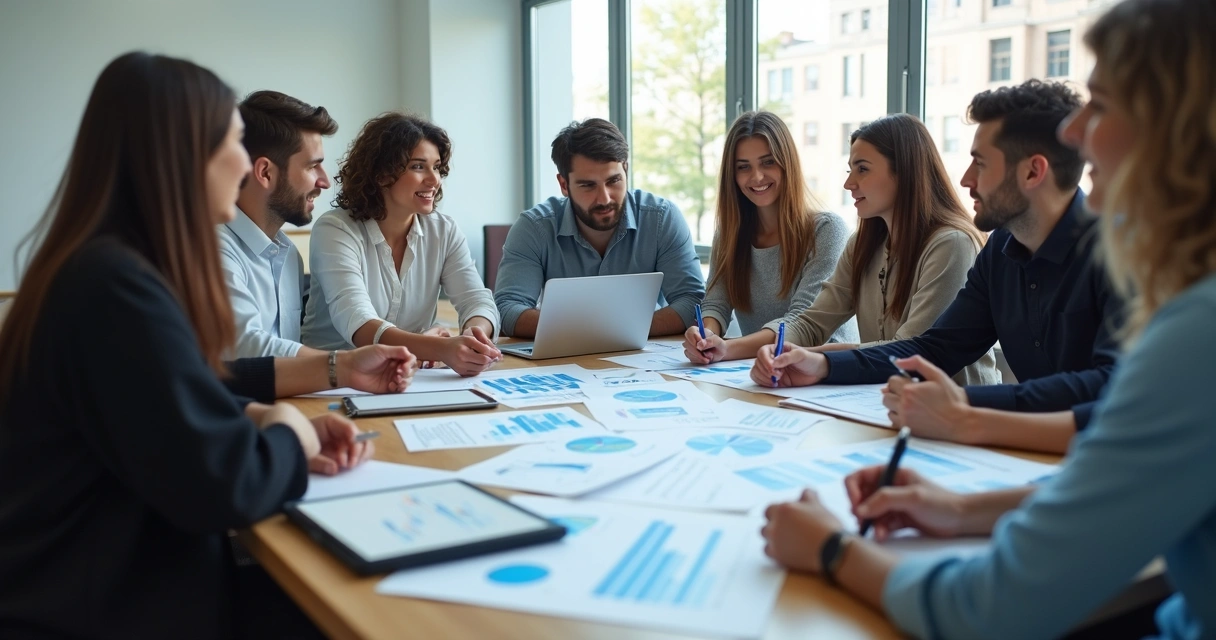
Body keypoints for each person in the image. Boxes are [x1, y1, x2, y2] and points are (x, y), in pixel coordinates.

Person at [762, 1, 1216, 638]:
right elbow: (1117, 443)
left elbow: (991, 609)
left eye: (1104, 105)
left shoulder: (1195, 323)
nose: (1077, 134)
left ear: (1183, 129)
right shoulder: (1006, 251)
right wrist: (959, 507)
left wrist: (834, 549)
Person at [0, 52, 368, 638]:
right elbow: (226, 485)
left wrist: (253, 413)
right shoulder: (114, 288)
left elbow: (166, 394)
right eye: (231, 143)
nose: (244, 164)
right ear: (182, 156)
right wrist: (289, 435)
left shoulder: (102, 267)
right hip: (113, 608)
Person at [753, 80, 1120, 449]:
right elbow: (935, 349)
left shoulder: (1120, 252)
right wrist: (823, 366)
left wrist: (965, 405)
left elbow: (1109, 384)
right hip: (1038, 453)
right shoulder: (1001, 249)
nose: (966, 180)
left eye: (980, 163)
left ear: (1032, 172)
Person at [733, 114, 997, 385]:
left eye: (863, 169)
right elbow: (811, 322)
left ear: (904, 171)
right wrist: (775, 350)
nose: (849, 184)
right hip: (886, 404)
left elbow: (909, 351)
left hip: (957, 413)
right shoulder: (862, 244)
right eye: (850, 171)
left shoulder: (952, 245)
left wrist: (815, 360)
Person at [302, 113, 502, 377]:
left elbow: (478, 301)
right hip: (330, 382)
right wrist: (439, 348)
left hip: (408, 379)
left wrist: (473, 336)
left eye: (437, 167)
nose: (434, 180)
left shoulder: (444, 230)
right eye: (418, 167)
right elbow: (360, 326)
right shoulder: (335, 229)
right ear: (382, 174)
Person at [494, 118, 706, 338]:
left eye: (613, 181)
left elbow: (694, 301)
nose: (604, 198)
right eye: (588, 185)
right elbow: (507, 309)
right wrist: (610, 330)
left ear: (626, 170)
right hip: (564, 360)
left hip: (645, 360)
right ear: (564, 185)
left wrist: (606, 331)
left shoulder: (662, 219)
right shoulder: (534, 228)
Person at [682, 111, 856, 364]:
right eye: (743, 167)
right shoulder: (730, 233)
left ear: (787, 164)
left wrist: (727, 349)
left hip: (822, 373)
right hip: (761, 368)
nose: (757, 177)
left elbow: (801, 323)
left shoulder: (827, 230)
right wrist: (705, 335)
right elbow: (716, 303)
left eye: (768, 162)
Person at [220, 90, 338, 358]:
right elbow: (246, 350)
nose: (324, 181)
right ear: (265, 173)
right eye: (312, 167)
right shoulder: (214, 251)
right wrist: (346, 364)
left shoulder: (289, 257)